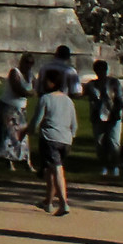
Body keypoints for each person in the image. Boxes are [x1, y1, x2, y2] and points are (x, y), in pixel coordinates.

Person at [34, 72, 78, 215]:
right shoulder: (69, 101)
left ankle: (64, 203)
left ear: (53, 83)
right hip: (66, 140)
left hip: (50, 139)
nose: (43, 84)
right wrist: (70, 137)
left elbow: (37, 120)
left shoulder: (46, 99)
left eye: (46, 81)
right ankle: (48, 202)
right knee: (50, 169)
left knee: (57, 170)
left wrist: (28, 131)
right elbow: (74, 124)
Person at [84, 59, 123, 177]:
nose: (101, 73)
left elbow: (120, 98)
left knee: (114, 142)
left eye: (103, 70)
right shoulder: (91, 85)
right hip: (98, 116)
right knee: (100, 143)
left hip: (114, 115)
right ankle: (104, 165)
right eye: (98, 70)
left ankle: (115, 166)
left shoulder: (114, 82)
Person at [0, 53, 35, 169]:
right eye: (26, 62)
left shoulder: (31, 75)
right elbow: (17, 89)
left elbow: (37, 86)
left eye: (31, 63)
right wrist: (30, 93)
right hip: (9, 106)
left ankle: (26, 159)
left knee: (23, 133)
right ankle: (9, 160)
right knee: (9, 134)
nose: (28, 65)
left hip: (21, 108)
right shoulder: (14, 72)